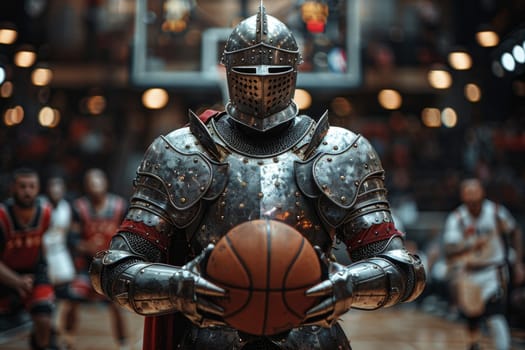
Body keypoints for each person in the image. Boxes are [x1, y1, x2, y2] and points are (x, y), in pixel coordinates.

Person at [89, 5, 426, 349]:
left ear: (293, 71)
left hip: (312, 338)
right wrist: (179, 286)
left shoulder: (338, 152)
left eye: (275, 69)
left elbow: (403, 268)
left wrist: (349, 284)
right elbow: (114, 269)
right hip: (211, 338)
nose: (262, 80)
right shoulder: (181, 153)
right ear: (230, 71)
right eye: (250, 69)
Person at [443, 178, 524, 350]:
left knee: (495, 313)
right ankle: (474, 345)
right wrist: (470, 246)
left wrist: (517, 263)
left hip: (493, 270)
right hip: (469, 272)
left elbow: (515, 231)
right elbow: (449, 252)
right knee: (472, 317)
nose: (472, 198)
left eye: (475, 193)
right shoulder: (457, 218)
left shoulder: (496, 212)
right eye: (468, 194)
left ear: (482, 193)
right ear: (463, 196)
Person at [61, 168, 129, 349]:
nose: (95, 185)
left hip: (110, 266)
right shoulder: (79, 207)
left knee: (116, 305)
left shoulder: (120, 206)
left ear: (105, 183)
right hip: (86, 265)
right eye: (91, 182)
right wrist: (85, 246)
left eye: (98, 181)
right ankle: (67, 339)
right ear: (86, 186)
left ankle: (122, 343)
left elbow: (128, 236)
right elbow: (72, 238)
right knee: (73, 298)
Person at [0, 168, 59, 350]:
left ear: (38, 189)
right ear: (12, 189)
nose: (27, 191)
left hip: (33, 272)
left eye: (32, 186)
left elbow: (42, 242)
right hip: (6, 275)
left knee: (44, 318)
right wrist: (16, 281)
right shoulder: (2, 217)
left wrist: (45, 271)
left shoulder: (46, 213)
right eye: (22, 186)